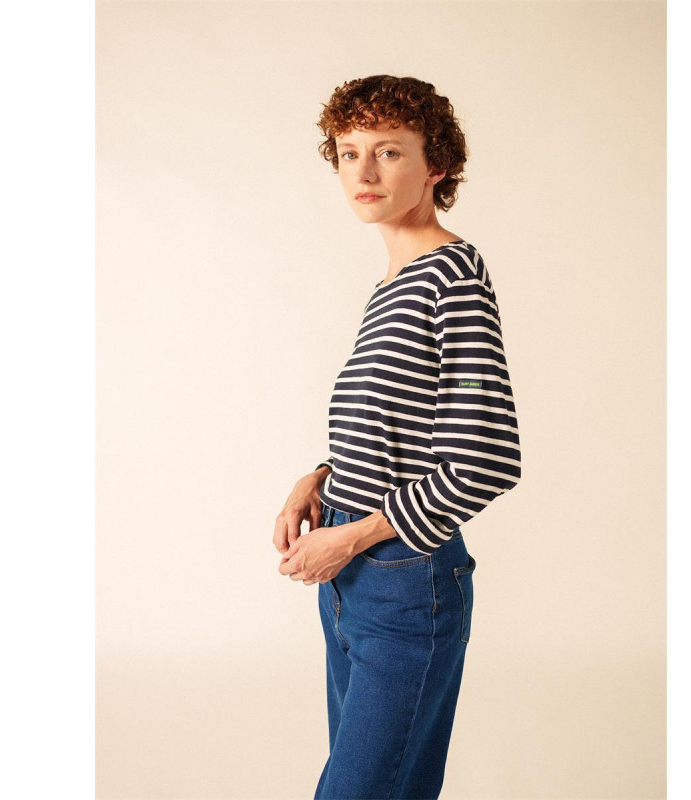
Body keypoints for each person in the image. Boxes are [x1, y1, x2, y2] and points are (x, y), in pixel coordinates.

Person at [274, 75, 522, 799]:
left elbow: (487, 457)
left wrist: (352, 537)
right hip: (351, 577)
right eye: (349, 152)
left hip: (402, 578)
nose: (364, 171)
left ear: (435, 164)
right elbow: (397, 421)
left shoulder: (453, 277)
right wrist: (318, 479)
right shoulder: (394, 284)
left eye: (388, 151)